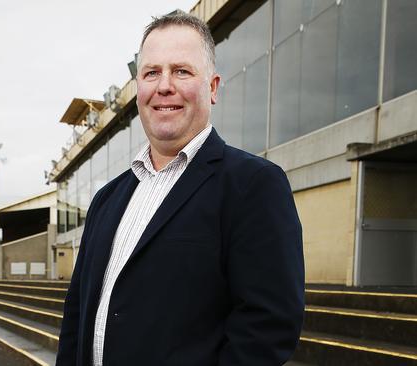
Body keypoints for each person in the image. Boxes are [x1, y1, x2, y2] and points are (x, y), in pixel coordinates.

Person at [56, 13, 304, 366]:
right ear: (139, 87)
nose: (164, 86)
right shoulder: (106, 199)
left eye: (182, 71)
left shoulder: (254, 186)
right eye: (151, 72)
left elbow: (268, 328)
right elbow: (76, 317)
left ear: (213, 87)